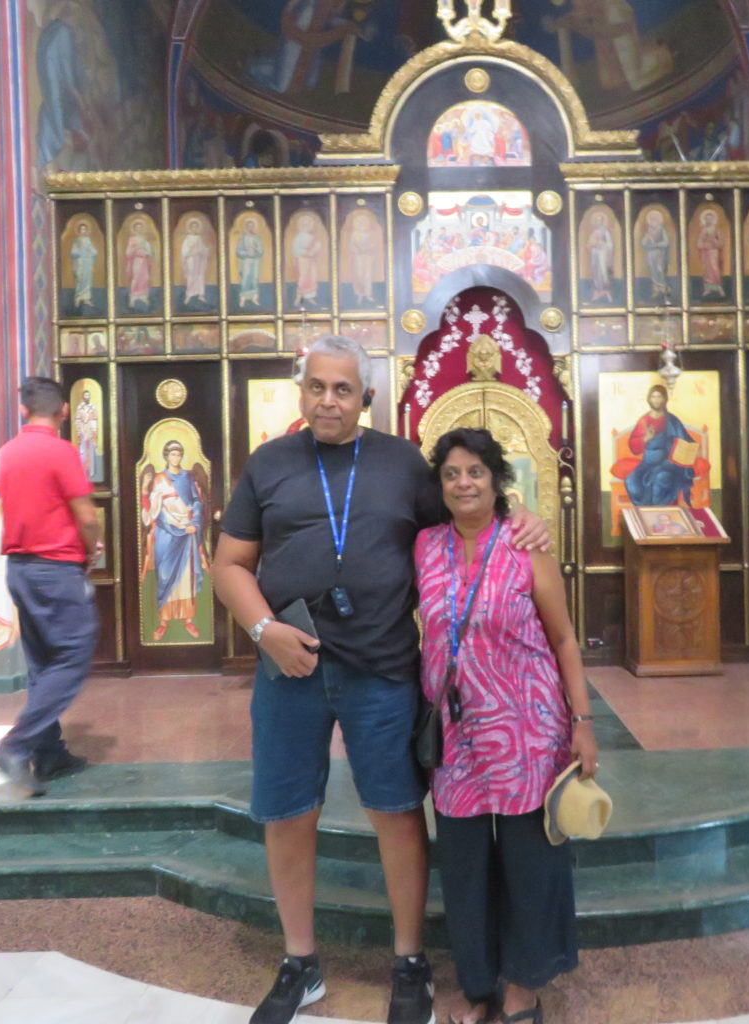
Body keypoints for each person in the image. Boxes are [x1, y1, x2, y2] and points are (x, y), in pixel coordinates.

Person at [212, 336, 548, 1024]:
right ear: (300, 392)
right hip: (290, 667)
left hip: (383, 670)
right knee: (286, 812)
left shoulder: (399, 463)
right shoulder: (269, 464)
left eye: (342, 389)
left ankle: (409, 961)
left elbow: (466, 518)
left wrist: (523, 523)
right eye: (316, 387)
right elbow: (229, 563)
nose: (328, 400)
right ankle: (299, 962)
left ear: (365, 397)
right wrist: (263, 630)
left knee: (395, 811)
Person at [415, 428, 598, 1024]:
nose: (463, 482)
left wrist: (583, 722)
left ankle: (522, 984)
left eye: (475, 472)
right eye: (451, 473)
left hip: (528, 729)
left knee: (530, 861)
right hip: (457, 734)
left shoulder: (526, 544)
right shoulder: (423, 545)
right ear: (439, 484)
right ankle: (477, 988)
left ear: (497, 482)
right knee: (465, 865)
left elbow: (565, 638)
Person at [0, 376, 103, 796]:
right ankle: (15, 746)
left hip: (18, 568)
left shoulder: (5, 454)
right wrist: (92, 551)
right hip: (56, 568)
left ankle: (49, 754)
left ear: (23, 410)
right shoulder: (61, 452)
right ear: (64, 411)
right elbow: (87, 517)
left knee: (41, 661)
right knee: (73, 653)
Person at [141, 440, 207, 641]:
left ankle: (188, 619)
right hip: (167, 535)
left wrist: (194, 522)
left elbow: (196, 501)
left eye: (178, 454)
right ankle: (163, 623)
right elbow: (154, 511)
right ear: (166, 456)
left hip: (187, 534)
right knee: (165, 575)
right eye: (172, 454)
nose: (175, 458)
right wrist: (175, 526)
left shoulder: (187, 477)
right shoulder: (160, 480)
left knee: (186, 578)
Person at [623, 384, 697, 506]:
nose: (656, 400)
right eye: (653, 397)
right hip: (647, 463)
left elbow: (686, 440)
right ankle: (645, 512)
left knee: (661, 479)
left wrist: (687, 448)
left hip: (668, 463)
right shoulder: (644, 420)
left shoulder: (672, 420)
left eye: (659, 397)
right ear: (649, 399)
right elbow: (633, 447)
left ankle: (660, 513)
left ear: (665, 399)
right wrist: (645, 438)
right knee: (631, 481)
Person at [292, 213, 323, 308]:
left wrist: (314, 250)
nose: (306, 226)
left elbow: (317, 248)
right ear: (301, 226)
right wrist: (305, 252)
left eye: (308, 225)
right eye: (304, 224)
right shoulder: (299, 237)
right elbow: (295, 249)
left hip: (311, 260)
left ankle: (310, 297)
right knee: (303, 277)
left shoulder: (312, 237)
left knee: (312, 277)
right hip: (303, 260)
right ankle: (299, 296)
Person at [640, 208, 670, 301]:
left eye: (655, 219)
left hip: (659, 254)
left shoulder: (661, 230)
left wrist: (657, 244)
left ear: (658, 221)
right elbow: (643, 243)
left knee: (659, 270)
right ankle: (656, 289)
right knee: (652, 271)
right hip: (650, 254)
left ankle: (663, 289)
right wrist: (647, 239)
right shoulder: (649, 231)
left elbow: (666, 242)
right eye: (651, 220)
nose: (653, 222)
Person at [125, 217, 154, 311]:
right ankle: (133, 297)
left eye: (140, 227)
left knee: (145, 278)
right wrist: (135, 249)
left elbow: (150, 252)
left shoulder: (145, 240)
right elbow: (128, 253)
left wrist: (147, 252)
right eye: (137, 227)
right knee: (136, 278)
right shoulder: (132, 239)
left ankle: (143, 296)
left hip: (144, 262)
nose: (139, 229)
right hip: (136, 261)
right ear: (134, 229)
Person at [181, 216, 210, 308]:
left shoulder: (199, 238)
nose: (195, 228)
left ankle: (201, 294)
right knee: (191, 277)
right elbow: (184, 252)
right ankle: (189, 294)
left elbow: (202, 249)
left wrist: (205, 250)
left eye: (196, 227)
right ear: (190, 228)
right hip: (191, 260)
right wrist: (192, 252)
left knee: (199, 276)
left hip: (199, 261)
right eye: (193, 227)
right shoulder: (187, 239)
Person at [696, 208, 725, 298]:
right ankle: (707, 289)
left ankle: (718, 287)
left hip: (714, 252)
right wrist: (706, 245)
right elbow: (699, 243)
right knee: (706, 270)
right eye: (707, 219)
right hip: (706, 253)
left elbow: (721, 243)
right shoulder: (703, 230)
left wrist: (714, 243)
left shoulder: (717, 230)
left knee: (714, 269)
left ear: (713, 220)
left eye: (710, 218)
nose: (709, 220)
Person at [586, 211, 615, 303]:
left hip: (603, 255)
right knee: (596, 272)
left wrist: (602, 244)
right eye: (596, 221)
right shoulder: (593, 232)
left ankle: (606, 291)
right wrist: (591, 245)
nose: (598, 222)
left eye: (600, 220)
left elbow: (610, 244)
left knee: (603, 273)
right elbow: (589, 245)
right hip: (595, 254)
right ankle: (598, 291)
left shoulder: (605, 232)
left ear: (602, 222)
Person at [70, 221, 99, 311]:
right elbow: (73, 253)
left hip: (87, 262)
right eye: (82, 229)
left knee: (87, 280)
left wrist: (89, 251)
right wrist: (80, 252)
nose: (83, 231)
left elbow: (94, 252)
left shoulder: (88, 240)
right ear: (79, 231)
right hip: (80, 262)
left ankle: (86, 298)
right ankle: (78, 297)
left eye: (85, 229)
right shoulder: (76, 241)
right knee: (80, 280)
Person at [237, 218, 265, 308]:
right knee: (245, 279)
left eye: (252, 226)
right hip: (246, 262)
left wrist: (256, 251)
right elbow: (238, 250)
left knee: (255, 279)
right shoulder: (243, 237)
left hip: (255, 261)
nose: (250, 228)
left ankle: (254, 297)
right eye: (249, 226)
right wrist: (246, 253)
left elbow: (261, 251)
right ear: (246, 227)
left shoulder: (257, 238)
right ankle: (243, 299)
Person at [74, 388, 98, 479]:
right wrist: (79, 431)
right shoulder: (80, 407)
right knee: (82, 451)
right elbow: (77, 420)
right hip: (83, 431)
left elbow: (95, 419)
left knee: (91, 450)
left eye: (88, 395)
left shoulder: (93, 407)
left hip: (91, 430)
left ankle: (91, 472)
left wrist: (94, 431)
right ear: (83, 397)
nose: (87, 397)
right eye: (85, 395)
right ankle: (82, 472)